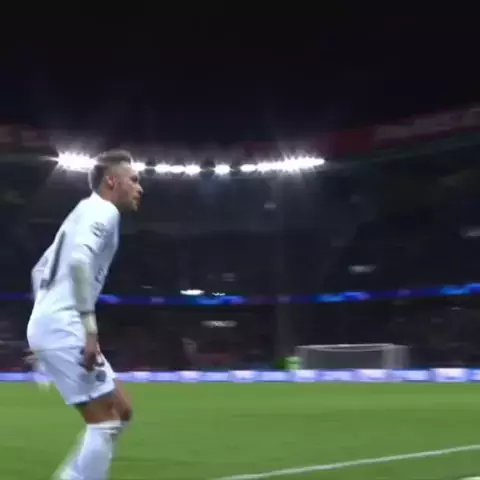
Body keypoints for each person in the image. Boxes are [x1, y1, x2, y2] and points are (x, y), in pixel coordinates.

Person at [26, 149, 143, 480]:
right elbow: (79, 261)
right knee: (106, 422)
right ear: (111, 182)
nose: (140, 188)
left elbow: (39, 271)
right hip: (65, 326)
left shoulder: (82, 211)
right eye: (134, 180)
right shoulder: (104, 212)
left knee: (121, 411)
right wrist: (89, 330)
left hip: (54, 324)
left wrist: (41, 326)